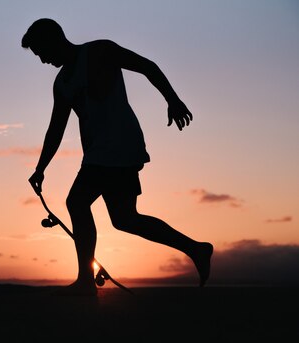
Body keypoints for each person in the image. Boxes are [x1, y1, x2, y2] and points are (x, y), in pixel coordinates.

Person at [22, 18, 213, 296]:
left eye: (42, 52)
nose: (42, 61)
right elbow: (56, 129)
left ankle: (86, 282)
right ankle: (196, 249)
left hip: (121, 146)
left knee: (76, 202)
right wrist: (40, 169)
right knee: (124, 219)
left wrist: (172, 100)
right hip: (99, 153)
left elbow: (147, 67)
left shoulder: (100, 51)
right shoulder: (62, 83)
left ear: (54, 39)